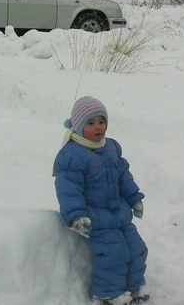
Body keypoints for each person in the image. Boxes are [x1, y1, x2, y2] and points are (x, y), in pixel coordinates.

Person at [54, 96, 149, 305]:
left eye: (101, 121)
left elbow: (123, 176)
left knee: (137, 247)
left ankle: (136, 287)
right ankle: (108, 295)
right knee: (114, 252)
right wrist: (77, 215)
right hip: (95, 217)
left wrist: (134, 198)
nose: (98, 128)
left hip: (118, 213)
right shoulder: (72, 155)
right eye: (90, 123)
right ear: (78, 126)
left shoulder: (111, 147)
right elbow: (68, 189)